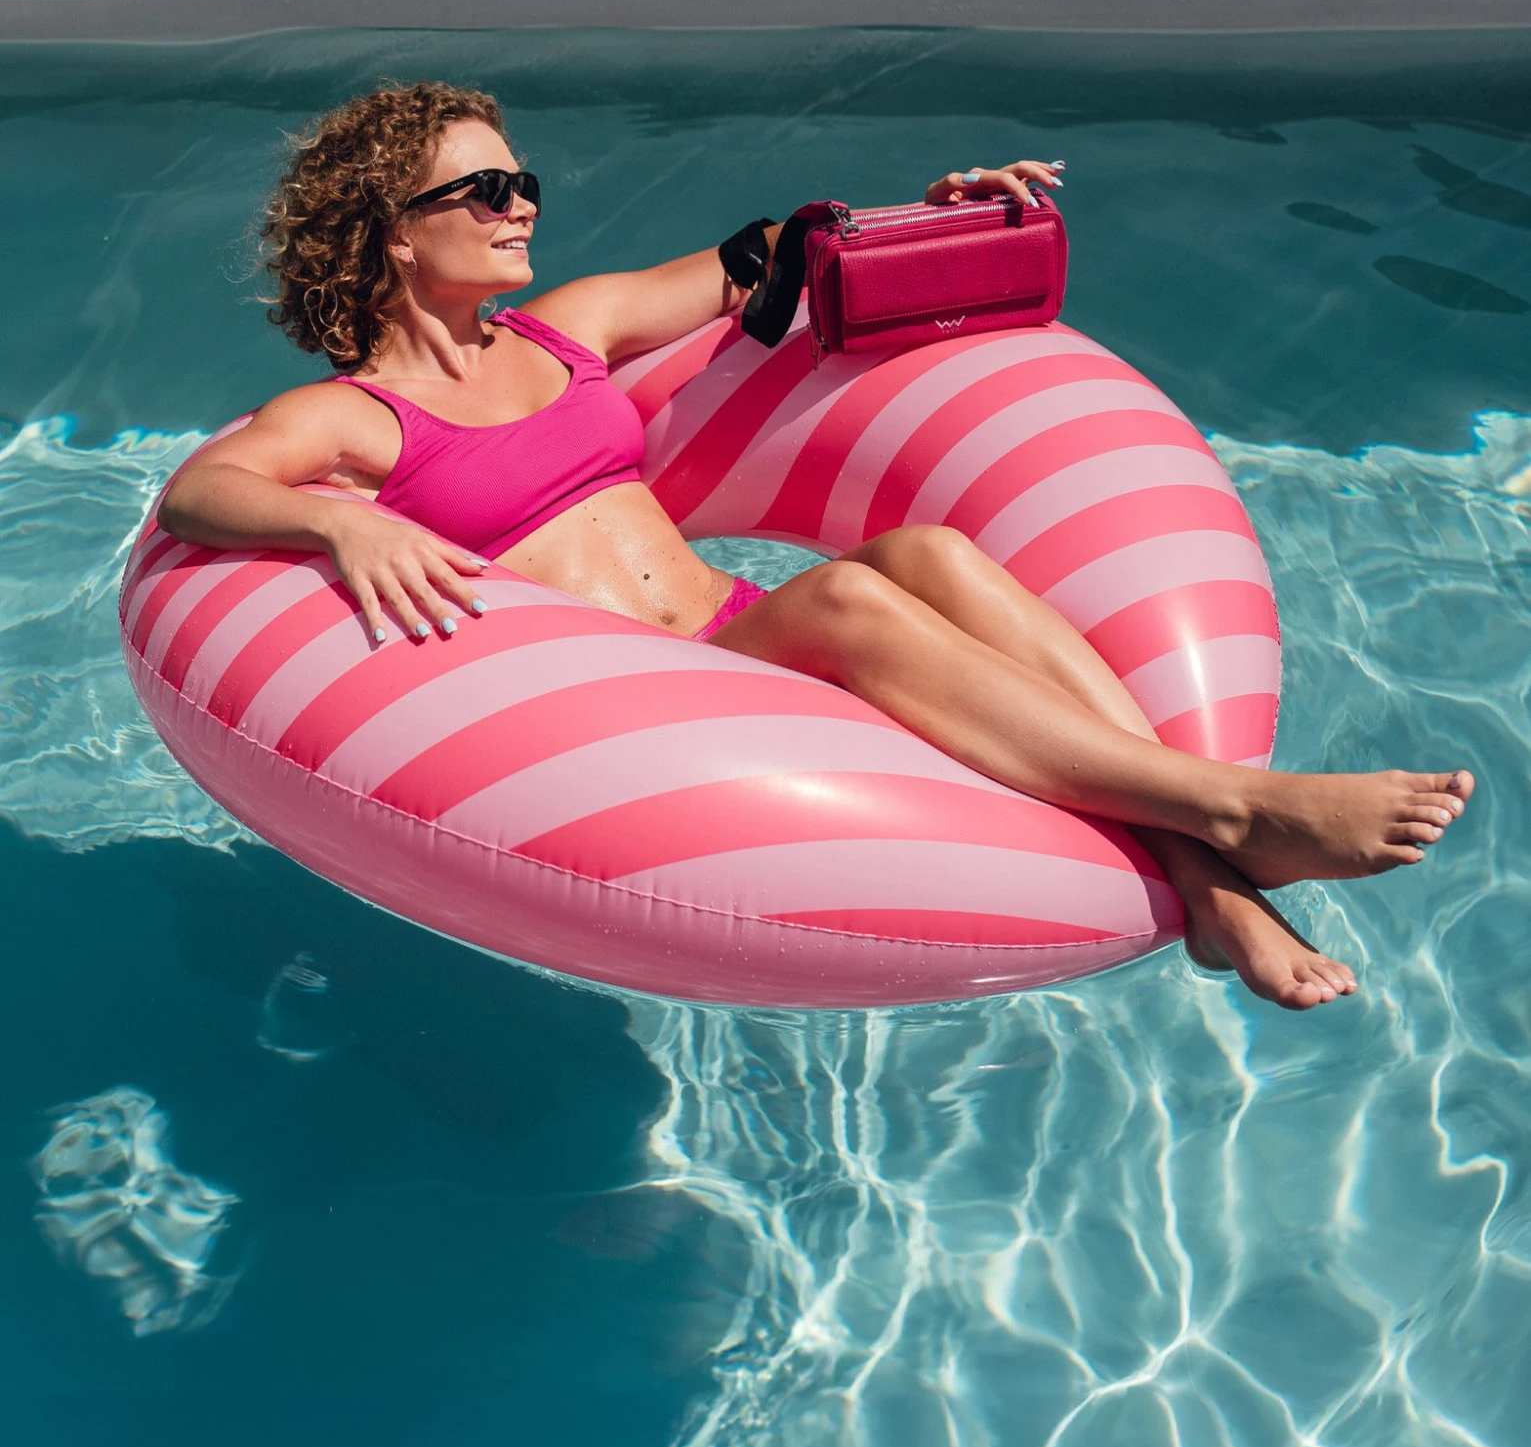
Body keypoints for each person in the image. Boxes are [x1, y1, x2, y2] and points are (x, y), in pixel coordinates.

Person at [160, 82, 1472, 1013]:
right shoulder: (359, 416)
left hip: (738, 625)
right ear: (396, 228)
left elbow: (766, 258)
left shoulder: (571, 328)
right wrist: (337, 516)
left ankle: (1210, 880)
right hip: (654, 695)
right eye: (486, 189)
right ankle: (1235, 813)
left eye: (525, 183)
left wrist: (928, 214)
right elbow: (201, 494)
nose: (522, 207)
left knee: (930, 555)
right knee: (849, 595)